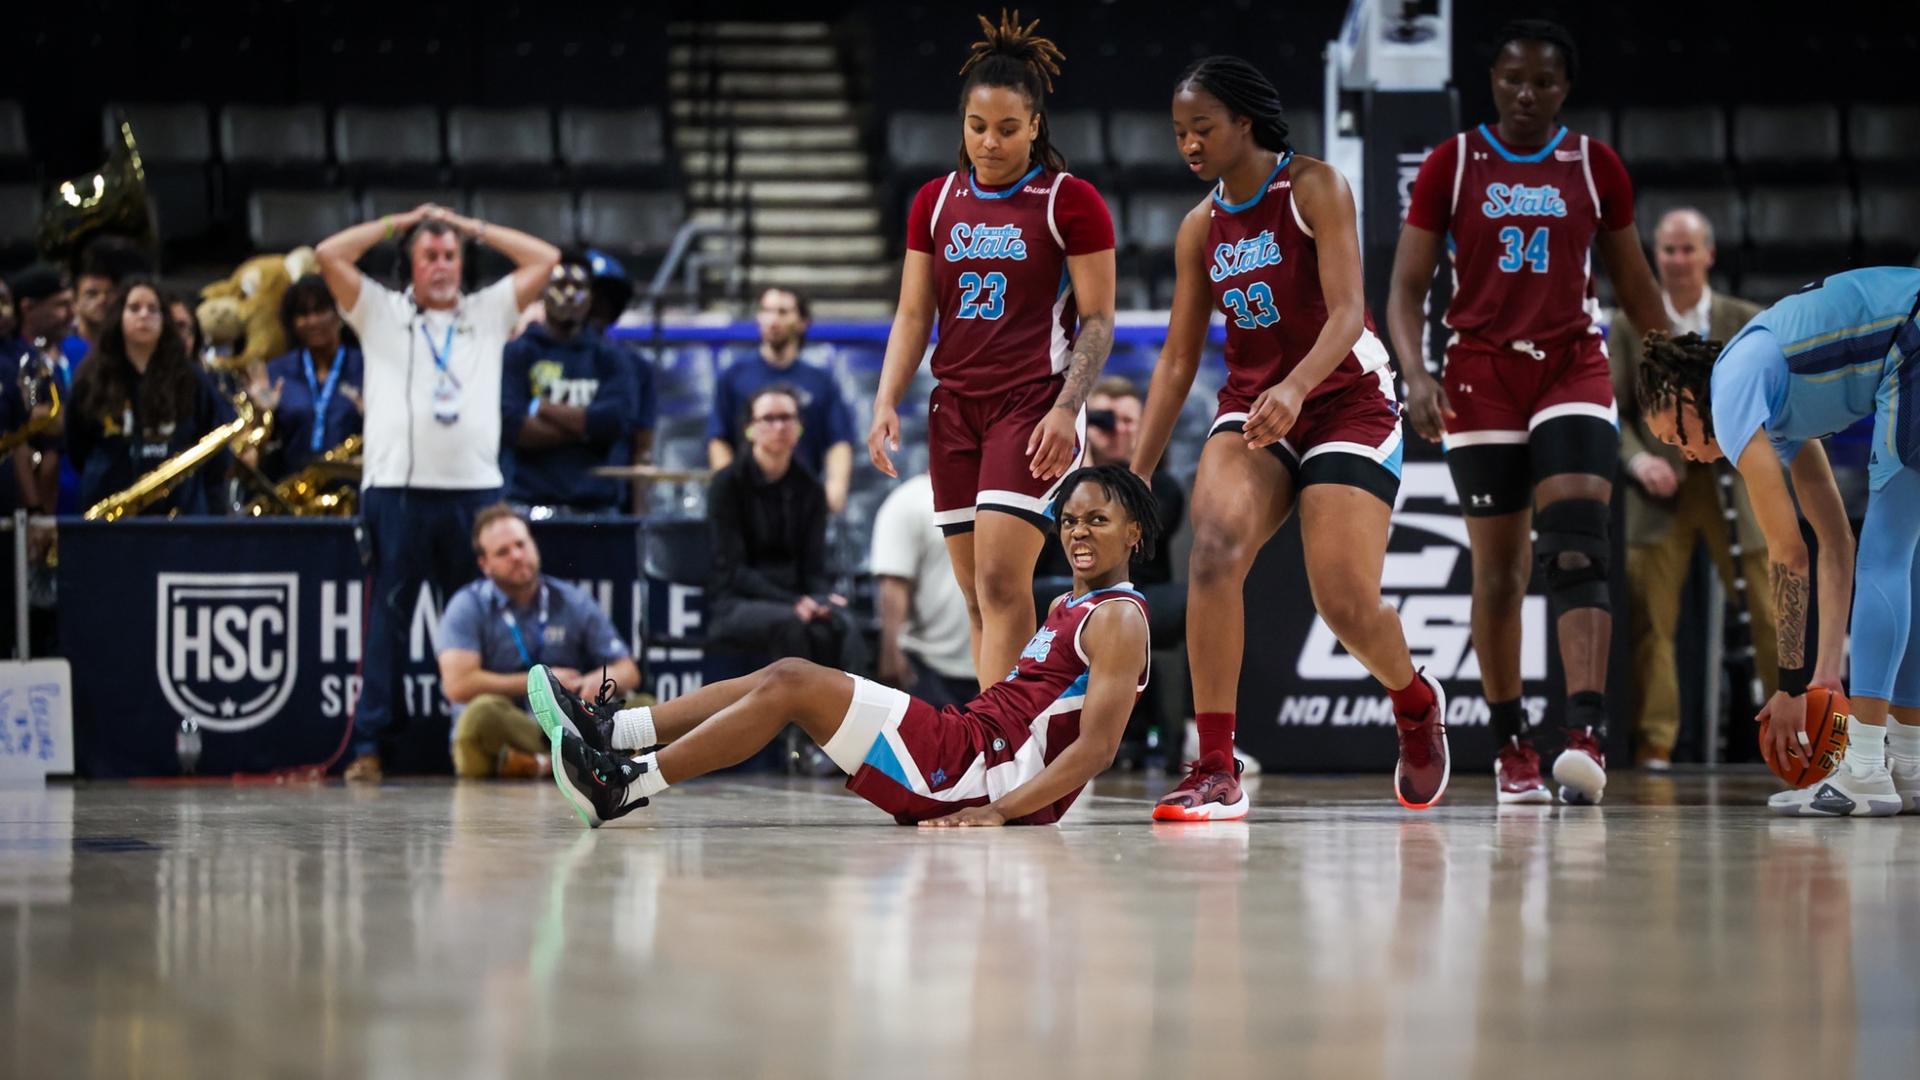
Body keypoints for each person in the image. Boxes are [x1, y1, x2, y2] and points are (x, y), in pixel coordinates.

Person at [1132, 55, 1445, 821]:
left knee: (1342, 602)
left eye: (1203, 127)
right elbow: (1177, 360)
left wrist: (1297, 385)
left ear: (1245, 122)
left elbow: (1347, 314)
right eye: (1179, 133)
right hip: (1254, 405)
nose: (1191, 144)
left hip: (1346, 401)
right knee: (1212, 552)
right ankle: (1213, 766)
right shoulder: (1200, 227)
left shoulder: (1312, 188)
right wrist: (1135, 474)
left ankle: (1413, 702)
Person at [528, 464, 1158, 829]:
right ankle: (614, 733)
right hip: (966, 745)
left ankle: (625, 782)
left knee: (794, 683)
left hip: (975, 775)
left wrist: (997, 813)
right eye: (1070, 520)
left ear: (1132, 534)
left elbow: (1097, 751)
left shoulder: (1120, 619)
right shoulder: (1067, 606)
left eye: (1096, 521)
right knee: (787, 673)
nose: (1078, 532)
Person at [1385, 20, 1669, 805]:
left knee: (1577, 549)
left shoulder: (1592, 163)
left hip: (1573, 364)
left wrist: (1678, 374)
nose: (1526, 93)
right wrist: (1416, 372)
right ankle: (1510, 744)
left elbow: (1637, 287)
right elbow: (1406, 289)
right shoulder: (1454, 162)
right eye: (1513, 78)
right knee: (1501, 572)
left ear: (1564, 91)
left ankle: (1584, 736)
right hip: (1478, 373)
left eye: (1543, 82)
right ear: (1494, 82)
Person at [868, 11, 1117, 692]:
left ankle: (1001, 753)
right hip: (954, 409)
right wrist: (887, 398)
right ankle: (1004, 738)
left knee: (1005, 584)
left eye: (1008, 128)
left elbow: (1098, 320)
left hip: (1031, 405)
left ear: (1035, 125)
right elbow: (915, 312)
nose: (990, 141)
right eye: (978, 127)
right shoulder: (934, 200)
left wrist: (1070, 409)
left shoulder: (1071, 201)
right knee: (978, 595)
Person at [1638, 267, 1920, 818]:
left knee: (1886, 559)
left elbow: (1788, 551)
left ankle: (1864, 767)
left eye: (1675, 437)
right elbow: (1833, 541)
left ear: (1684, 398)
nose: (1684, 455)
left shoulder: (1731, 386)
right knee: (1904, 564)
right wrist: (1823, 675)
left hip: (1909, 346)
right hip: (1909, 339)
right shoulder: (1774, 397)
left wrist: (1790, 690)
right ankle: (1908, 764)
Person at [315, 202, 559, 782]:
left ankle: (491, 743)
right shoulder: (378, 310)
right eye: (430, 255)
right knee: (387, 626)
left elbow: (546, 258)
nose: (443, 264)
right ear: (411, 265)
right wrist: (403, 220)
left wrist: (472, 226)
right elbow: (329, 255)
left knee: (487, 623)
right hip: (396, 491)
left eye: (451, 255)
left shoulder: (489, 310)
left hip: (475, 495)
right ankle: (370, 747)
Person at [1608, 208, 1772, 767]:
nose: (1677, 260)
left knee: (1771, 607)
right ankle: (1655, 743)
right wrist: (1637, 463)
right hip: (1660, 489)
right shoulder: (1630, 323)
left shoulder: (1746, 318)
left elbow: (1770, 404)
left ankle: (1796, 733)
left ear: (1709, 254)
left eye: (1686, 249)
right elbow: (1614, 410)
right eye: (1668, 250)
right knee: (1651, 619)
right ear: (1656, 255)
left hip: (1738, 488)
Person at [437, 504, 639, 778]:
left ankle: (536, 764)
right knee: (479, 716)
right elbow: (458, 685)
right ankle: (572, 765)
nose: (517, 556)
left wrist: (598, 681)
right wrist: (542, 683)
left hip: (567, 724)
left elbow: (628, 670)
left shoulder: (571, 599)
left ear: (533, 544)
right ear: (484, 564)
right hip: (515, 725)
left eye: (521, 544)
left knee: (640, 706)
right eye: (503, 552)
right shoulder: (468, 605)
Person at [705, 385, 865, 669]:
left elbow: (813, 567)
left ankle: (842, 714)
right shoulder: (726, 485)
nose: (779, 426)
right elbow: (732, 570)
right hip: (736, 601)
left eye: (787, 418)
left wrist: (822, 599)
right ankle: (795, 714)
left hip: (795, 599)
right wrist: (794, 602)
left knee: (841, 624)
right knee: (793, 625)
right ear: (750, 428)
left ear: (799, 428)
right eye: (768, 419)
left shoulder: (811, 489)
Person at [65, 279, 235, 516]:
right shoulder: (92, 376)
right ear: (119, 317)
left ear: (164, 320)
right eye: (134, 308)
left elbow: (216, 449)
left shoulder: (191, 377)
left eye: (153, 309)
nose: (143, 315)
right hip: (109, 512)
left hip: (179, 514)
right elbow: (77, 445)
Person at [501, 254, 640, 516]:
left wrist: (543, 408)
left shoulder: (611, 357)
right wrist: (587, 429)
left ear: (591, 296)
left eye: (578, 286)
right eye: (560, 284)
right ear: (543, 290)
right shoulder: (518, 353)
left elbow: (616, 420)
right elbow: (511, 426)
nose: (569, 293)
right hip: (528, 507)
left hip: (596, 509)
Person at [708, 286, 854, 512]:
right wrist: (727, 489)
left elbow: (839, 441)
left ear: (802, 321)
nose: (773, 320)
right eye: (766, 310)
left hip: (802, 503)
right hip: (748, 502)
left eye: (783, 312)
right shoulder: (733, 377)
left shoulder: (821, 383)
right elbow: (718, 438)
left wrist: (836, 489)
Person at [870, 473, 978, 708]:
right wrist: (890, 653)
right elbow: (893, 584)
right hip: (927, 664)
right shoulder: (908, 501)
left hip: (991, 660)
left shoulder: (1004, 500)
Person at [253, 274, 365, 479]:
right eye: (303, 314)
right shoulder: (277, 372)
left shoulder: (365, 368)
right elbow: (258, 450)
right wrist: (263, 417)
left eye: (320, 310)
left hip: (353, 487)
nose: (312, 321)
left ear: (339, 313)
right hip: (292, 488)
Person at [4, 266, 78, 515]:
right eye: (61, 305)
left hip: (53, 498)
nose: (71, 314)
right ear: (27, 308)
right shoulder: (15, 362)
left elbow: (54, 431)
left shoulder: (43, 362)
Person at [66, 236, 152, 365]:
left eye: (110, 292)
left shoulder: (131, 352)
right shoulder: (64, 352)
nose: (102, 300)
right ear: (74, 300)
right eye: (92, 294)